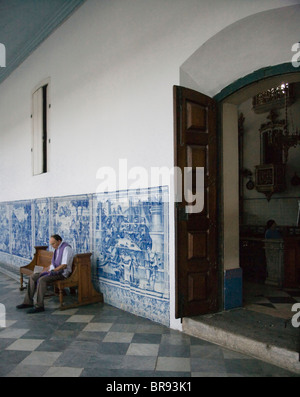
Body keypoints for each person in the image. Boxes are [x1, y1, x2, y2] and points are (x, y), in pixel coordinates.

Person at [16, 234, 74, 314]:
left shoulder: (66, 248)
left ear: (59, 241)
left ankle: (39, 306)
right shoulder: (57, 249)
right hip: (54, 271)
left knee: (42, 280)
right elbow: (53, 264)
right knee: (33, 276)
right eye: (51, 244)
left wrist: (51, 271)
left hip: (62, 274)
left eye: (53, 244)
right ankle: (28, 302)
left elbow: (64, 265)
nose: (52, 246)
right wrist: (44, 270)